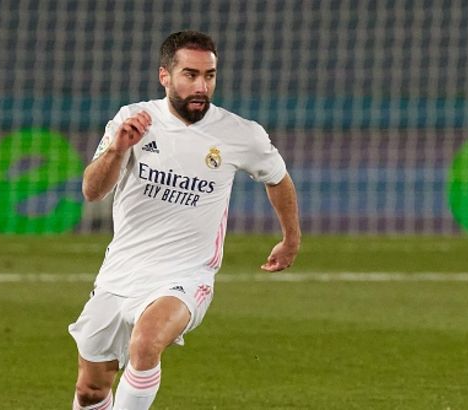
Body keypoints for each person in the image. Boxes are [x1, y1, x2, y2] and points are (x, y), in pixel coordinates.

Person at [68, 31, 301, 410]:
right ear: (165, 76)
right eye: (190, 75)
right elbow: (92, 191)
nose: (201, 86)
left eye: (209, 75)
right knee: (90, 390)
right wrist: (117, 150)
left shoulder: (240, 134)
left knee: (146, 343)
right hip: (120, 273)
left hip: (186, 275)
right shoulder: (133, 119)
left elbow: (278, 178)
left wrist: (291, 239)